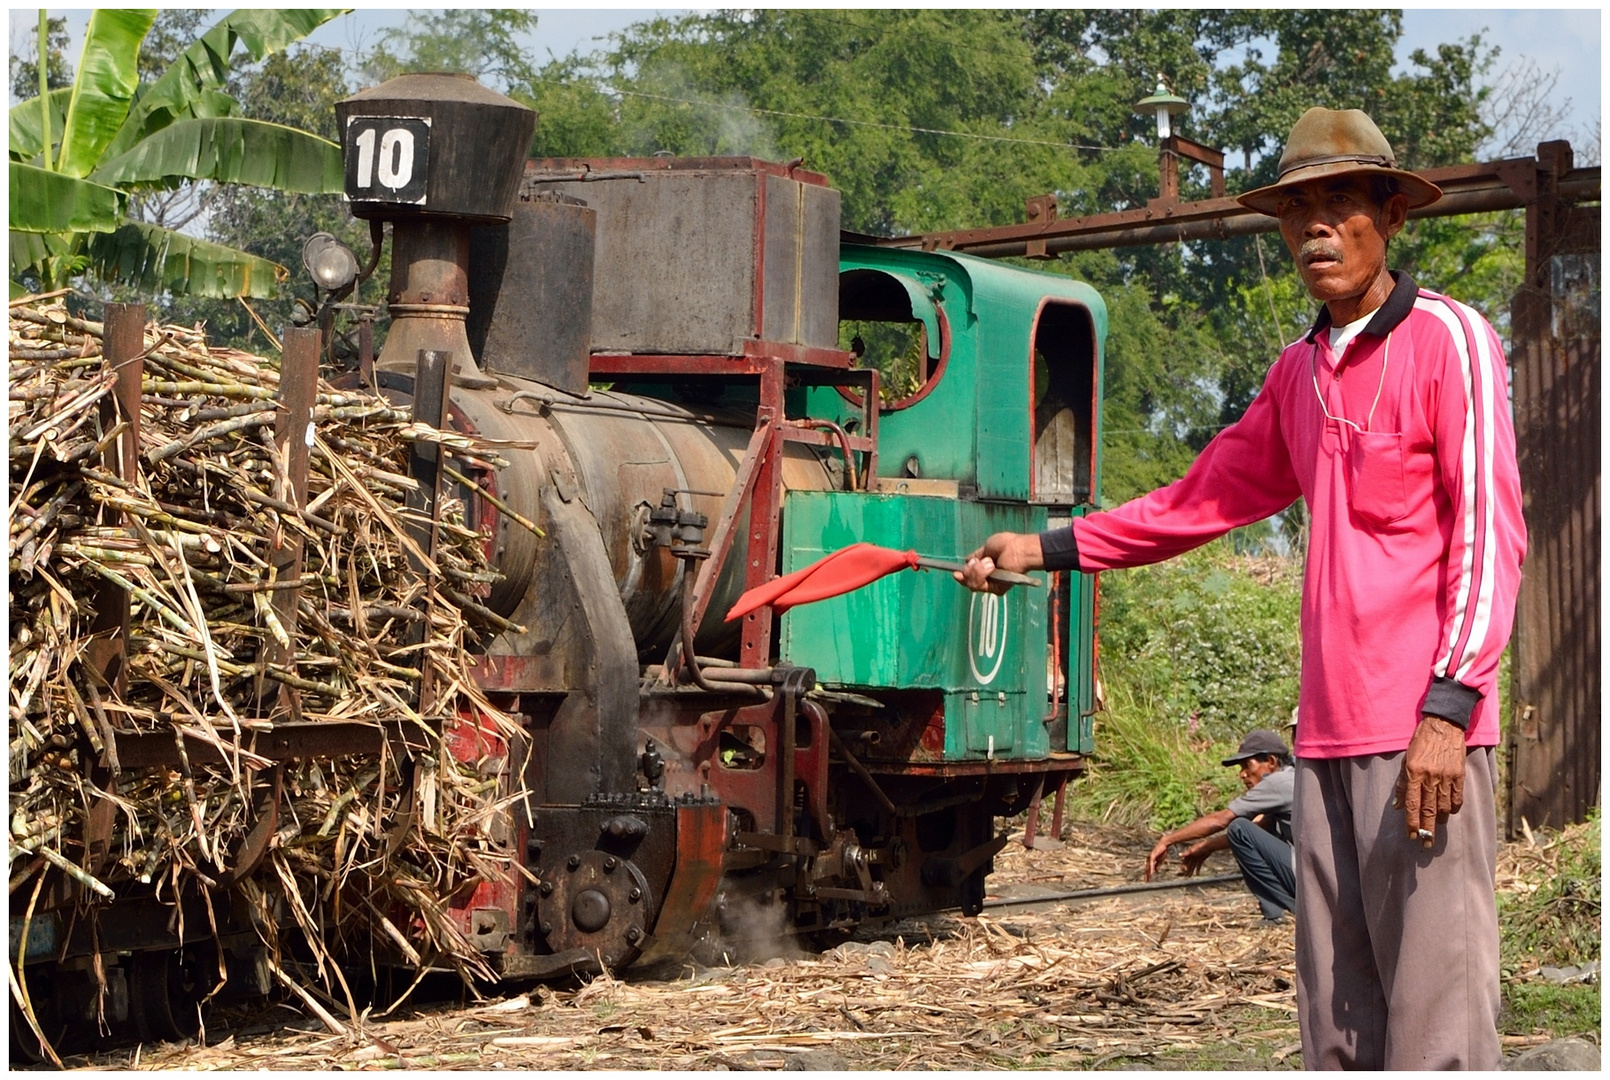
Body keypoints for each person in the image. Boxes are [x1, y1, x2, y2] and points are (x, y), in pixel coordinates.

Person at [957, 107, 1525, 1070]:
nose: (1315, 228)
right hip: (1328, 738)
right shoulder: (1298, 374)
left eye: (1340, 204)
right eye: (1297, 210)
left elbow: (1489, 530)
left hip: (1423, 732)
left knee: (1439, 1019)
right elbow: (1198, 501)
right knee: (1338, 1018)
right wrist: (1046, 549)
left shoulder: (1449, 341)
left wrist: (1451, 705)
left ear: (1389, 218)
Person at [1144, 729, 1295, 923]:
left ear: (1271, 762)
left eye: (1247, 765)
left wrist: (1167, 840)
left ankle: (1280, 913)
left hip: (1309, 874)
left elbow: (1221, 820)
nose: (1242, 774)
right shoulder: (1293, 776)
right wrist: (1209, 846)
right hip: (1318, 875)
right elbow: (1261, 827)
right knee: (1244, 830)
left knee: (1239, 827)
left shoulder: (1277, 783)